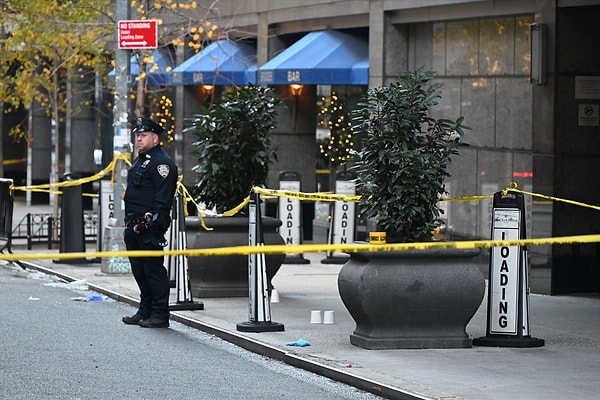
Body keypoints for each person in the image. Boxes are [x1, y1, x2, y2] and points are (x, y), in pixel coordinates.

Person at [122, 117, 177, 328]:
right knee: (139, 270)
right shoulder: (141, 159)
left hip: (148, 228)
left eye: (143, 136)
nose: (139, 140)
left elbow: (163, 201)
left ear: (155, 138)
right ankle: (145, 309)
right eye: (137, 136)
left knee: (153, 271)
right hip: (134, 225)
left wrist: (153, 225)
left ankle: (160, 314)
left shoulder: (161, 163)